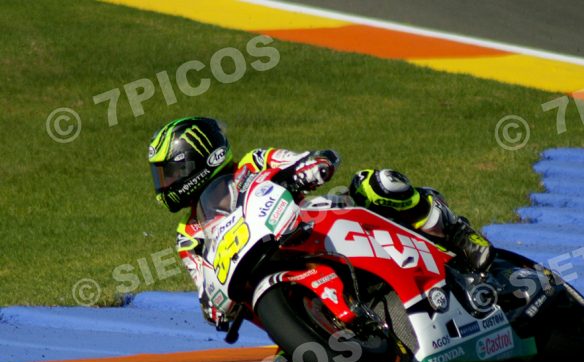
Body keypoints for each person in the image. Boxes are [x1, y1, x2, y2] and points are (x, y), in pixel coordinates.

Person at [148, 116, 494, 331]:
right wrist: (213, 305)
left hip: (319, 227)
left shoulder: (253, 164)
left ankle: (459, 235)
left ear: (201, 160)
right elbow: (204, 286)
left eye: (171, 172)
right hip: (270, 267)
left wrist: (312, 168)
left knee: (376, 183)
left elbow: (308, 160)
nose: (164, 183)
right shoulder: (188, 238)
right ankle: (302, 341)